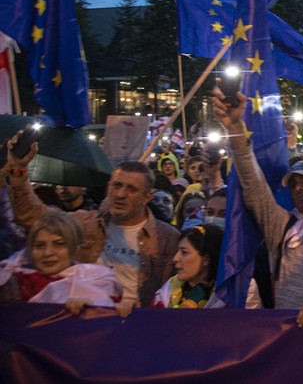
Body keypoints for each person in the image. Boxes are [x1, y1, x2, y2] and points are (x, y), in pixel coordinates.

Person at [212, 89, 303, 314]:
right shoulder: (284, 227)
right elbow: (254, 186)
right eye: (294, 183)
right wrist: (235, 130)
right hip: (289, 335)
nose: (298, 187)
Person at [6, 132, 178, 314]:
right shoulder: (86, 223)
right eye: (117, 185)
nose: (120, 194)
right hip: (83, 325)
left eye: (131, 189)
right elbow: (34, 217)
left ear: (147, 197)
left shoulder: (168, 239)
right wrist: (18, 169)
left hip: (136, 329)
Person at [0, 211, 120, 310]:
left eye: (59, 244)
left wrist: (90, 310)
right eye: (40, 245)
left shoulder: (99, 278)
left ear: (74, 246)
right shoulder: (16, 284)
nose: (48, 253)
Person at [152, 224, 223, 308]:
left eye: (184, 252)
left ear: (206, 259)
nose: (175, 258)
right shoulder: (168, 291)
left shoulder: (227, 298)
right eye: (177, 251)